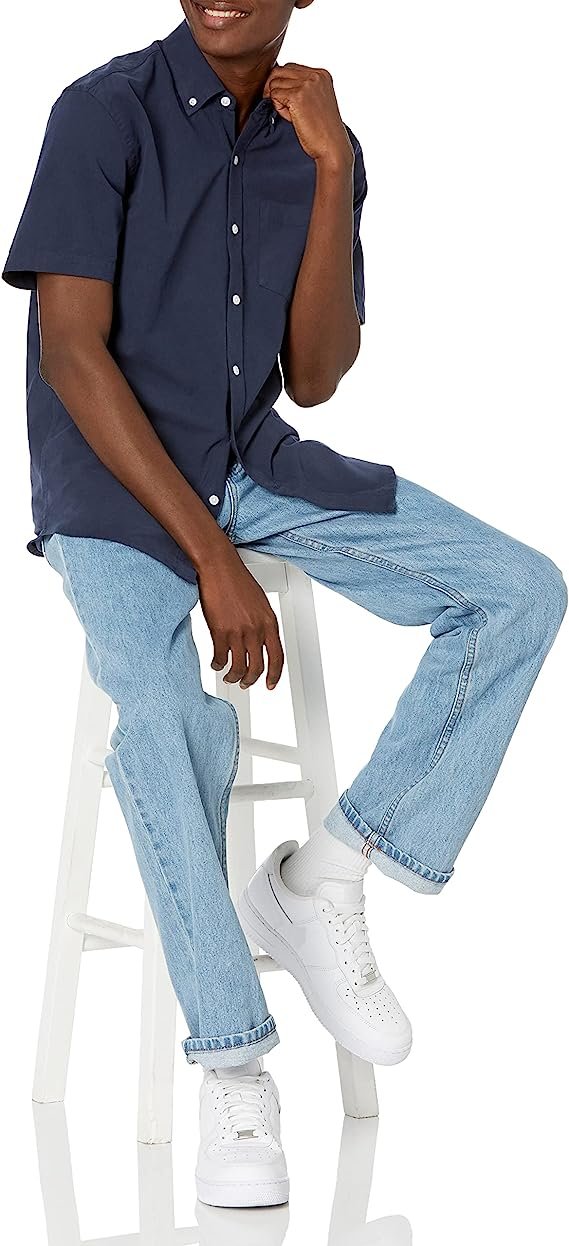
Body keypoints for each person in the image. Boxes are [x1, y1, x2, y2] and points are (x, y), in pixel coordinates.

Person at [3, 0, 566, 1211]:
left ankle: (326, 872)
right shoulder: (102, 112)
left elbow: (313, 374)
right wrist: (211, 560)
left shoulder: (318, 139)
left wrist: (329, 174)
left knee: (518, 591)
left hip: (246, 464)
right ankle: (232, 1063)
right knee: (167, 716)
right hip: (109, 486)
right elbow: (69, 351)